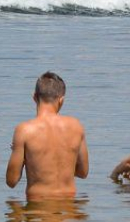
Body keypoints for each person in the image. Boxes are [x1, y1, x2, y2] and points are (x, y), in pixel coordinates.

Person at [6, 71, 90, 200]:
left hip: (38, 206)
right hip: (68, 208)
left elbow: (11, 181)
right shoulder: (76, 126)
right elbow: (83, 172)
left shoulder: (24, 130)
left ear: (34, 97)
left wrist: (24, 155)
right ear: (61, 100)